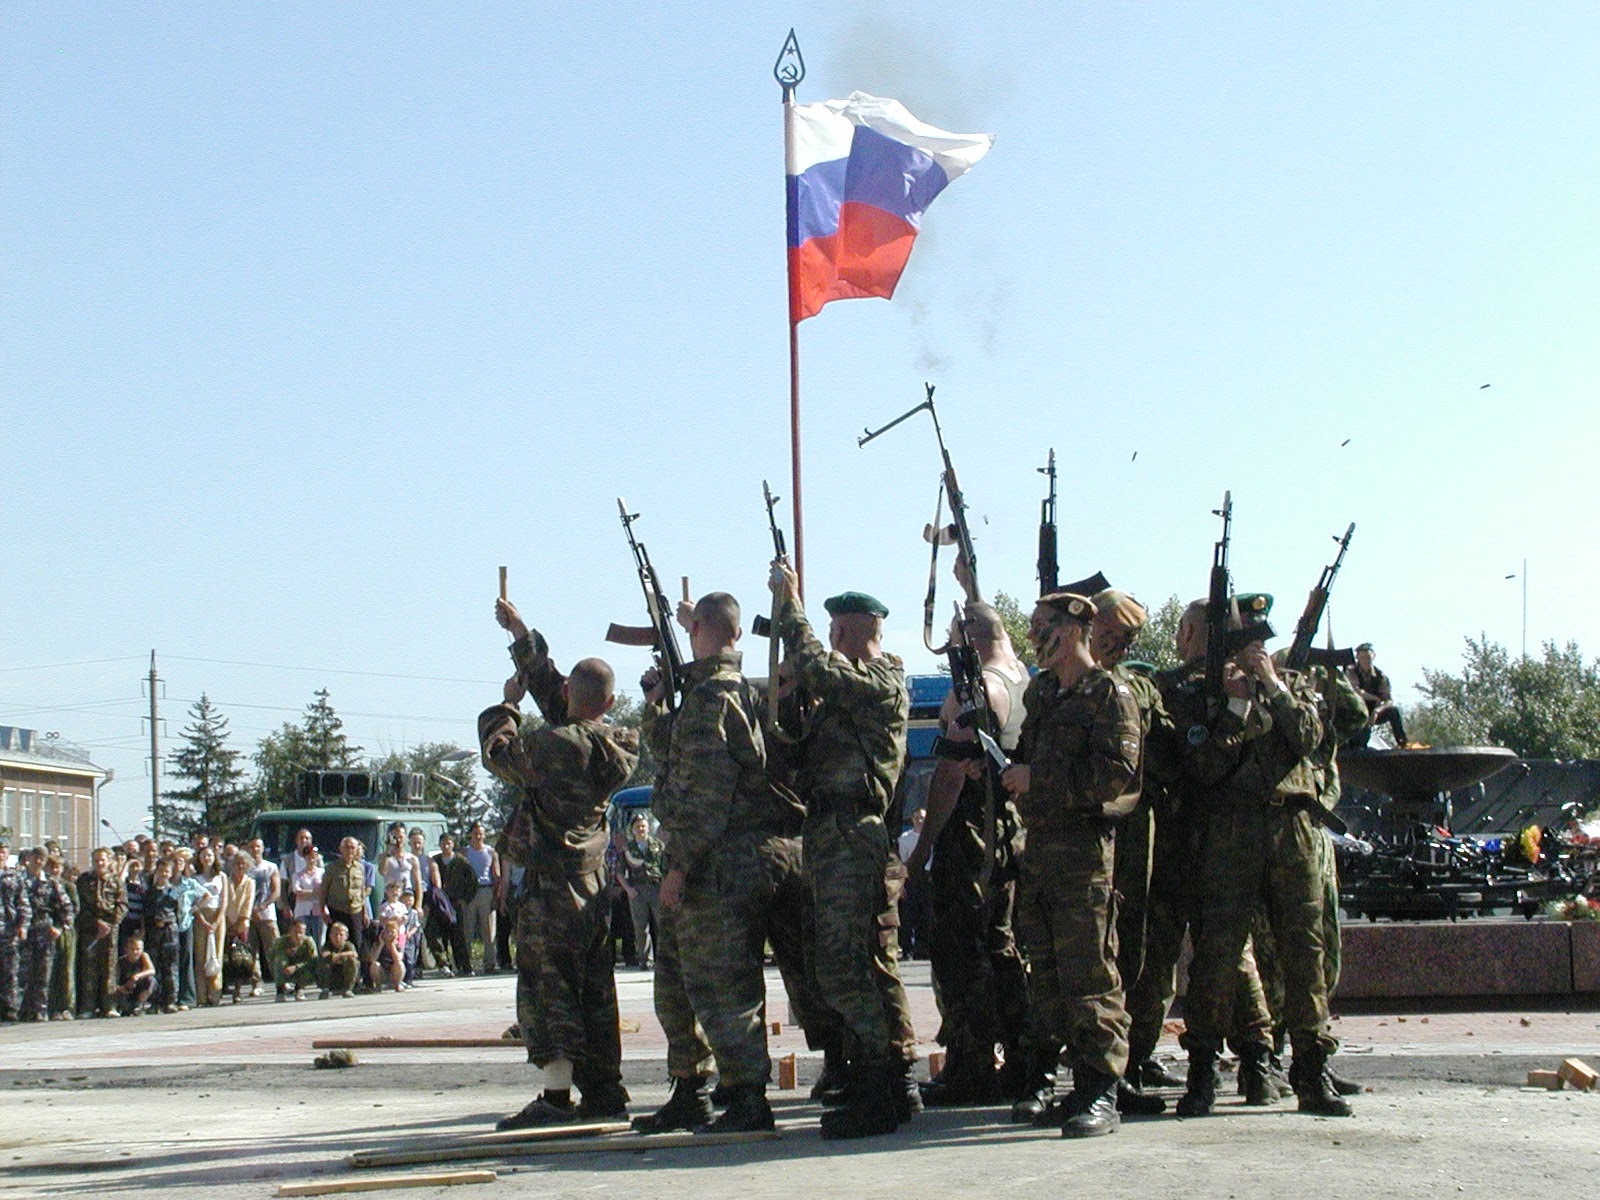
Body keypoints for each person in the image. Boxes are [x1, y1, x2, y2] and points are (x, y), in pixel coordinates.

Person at [635, 590, 819, 1136]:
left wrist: (679, 865)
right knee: (678, 976)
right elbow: (677, 754)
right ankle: (691, 1088)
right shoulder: (745, 690)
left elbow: (704, 793)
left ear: (699, 630)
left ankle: (745, 1097)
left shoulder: (710, 698)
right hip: (757, 851)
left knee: (723, 985)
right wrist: (659, 702)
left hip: (720, 859)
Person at [1168, 594, 1351, 1119]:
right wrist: (1234, 706)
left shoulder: (1289, 686)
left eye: (1260, 642)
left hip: (1291, 826)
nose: (1254, 650)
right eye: (1244, 641)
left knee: (1305, 952)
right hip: (1231, 828)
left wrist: (1270, 684)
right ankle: (1202, 1070)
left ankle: (1311, 1069)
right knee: (1217, 954)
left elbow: (1309, 739)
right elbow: (1202, 766)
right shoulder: (1201, 692)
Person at [482, 596, 641, 1130]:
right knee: (595, 988)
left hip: (552, 885)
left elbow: (500, 755)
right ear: (610, 701)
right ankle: (604, 1088)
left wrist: (507, 707)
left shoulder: (553, 746)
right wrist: (521, 634)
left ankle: (555, 1096)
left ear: (572, 692)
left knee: (547, 986)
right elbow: (563, 704)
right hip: (592, 881)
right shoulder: (615, 744)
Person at [770, 564, 916, 1139]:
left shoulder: (881, 680)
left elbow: (819, 666)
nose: (829, 638)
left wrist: (791, 605)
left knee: (843, 965)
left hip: (854, 830)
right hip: (830, 830)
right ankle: (878, 1081)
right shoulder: (843, 691)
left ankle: (877, 1086)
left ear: (856, 631)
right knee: (844, 963)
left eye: (836, 630)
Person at [1000, 591, 1141, 1139]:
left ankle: (1100, 1087)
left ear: (1076, 629)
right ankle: (1062, 1081)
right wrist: (1011, 772)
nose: (1036, 636)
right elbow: (1032, 757)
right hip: (1040, 851)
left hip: (1083, 855)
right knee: (1048, 974)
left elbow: (1117, 776)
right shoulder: (1042, 692)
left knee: (1090, 973)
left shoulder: (1109, 694)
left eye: (1045, 626)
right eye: (1034, 626)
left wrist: (1038, 779)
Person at [907, 599, 1030, 1109]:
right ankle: (1022, 1059)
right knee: (1001, 945)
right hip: (1008, 826)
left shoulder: (979, 689)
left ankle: (973, 1064)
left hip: (972, 831)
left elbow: (951, 773)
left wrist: (924, 847)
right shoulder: (1021, 676)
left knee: (960, 949)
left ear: (968, 640)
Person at [21, 848, 73, 1022]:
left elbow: (67, 908)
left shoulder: (51, 882)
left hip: (44, 931)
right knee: (22, 973)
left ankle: (40, 1010)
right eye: (36, 857)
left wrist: (59, 927)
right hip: (24, 931)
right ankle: (22, 1010)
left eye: (42, 859)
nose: (38, 861)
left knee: (44, 973)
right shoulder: (19, 880)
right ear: (29, 858)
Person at [76, 847, 127, 1018]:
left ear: (109, 861)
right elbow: (80, 906)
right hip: (90, 929)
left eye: (103, 860)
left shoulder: (116, 882)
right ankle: (88, 1007)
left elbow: (122, 905)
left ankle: (109, 1006)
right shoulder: (84, 880)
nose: (99, 863)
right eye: (96, 860)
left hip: (110, 930)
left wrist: (111, 923)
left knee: (109, 968)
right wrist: (96, 922)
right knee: (88, 968)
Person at [620, 814, 664, 971]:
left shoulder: (658, 845)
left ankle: (665, 960)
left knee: (662, 925)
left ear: (648, 827)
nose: (641, 829)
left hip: (657, 888)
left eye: (643, 826)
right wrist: (628, 889)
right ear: (632, 829)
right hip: (637, 891)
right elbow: (619, 872)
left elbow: (665, 867)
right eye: (637, 826)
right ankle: (645, 960)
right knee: (640, 928)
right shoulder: (627, 848)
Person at [1345, 643, 1407, 747]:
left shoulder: (1380, 676)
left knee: (1394, 711)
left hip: (1374, 710)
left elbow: (1389, 700)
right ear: (1357, 658)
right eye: (1362, 658)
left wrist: (1378, 710)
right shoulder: (1351, 671)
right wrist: (1375, 698)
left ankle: (1402, 743)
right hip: (1356, 709)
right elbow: (1356, 691)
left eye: (1368, 657)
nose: (1366, 661)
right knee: (1359, 741)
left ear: (1373, 657)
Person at [431, 833, 476, 975]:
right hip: (440, 903)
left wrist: (465, 899)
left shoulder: (461, 861)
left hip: (456, 903)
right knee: (441, 935)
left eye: (449, 843)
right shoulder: (435, 861)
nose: (446, 846)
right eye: (443, 843)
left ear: (453, 844)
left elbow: (472, 881)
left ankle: (464, 966)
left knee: (458, 936)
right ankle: (445, 965)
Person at [142, 859, 183, 1012]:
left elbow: (179, 912)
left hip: (169, 932)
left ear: (171, 873)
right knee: (155, 966)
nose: (164, 874)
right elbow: (145, 913)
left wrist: (167, 922)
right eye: (161, 871)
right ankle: (155, 1002)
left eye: (167, 871)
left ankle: (170, 1000)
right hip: (153, 932)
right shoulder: (149, 892)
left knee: (170, 968)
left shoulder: (174, 891)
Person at [459, 822, 500, 974]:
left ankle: (489, 964)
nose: (478, 836)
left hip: (486, 891)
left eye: (481, 833)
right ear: (471, 834)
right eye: (475, 833)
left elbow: (496, 876)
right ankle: (466, 964)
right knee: (467, 930)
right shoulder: (464, 852)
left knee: (489, 930)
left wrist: (496, 896)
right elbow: (459, 875)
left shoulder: (491, 852)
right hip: (469, 893)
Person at [191, 844, 228, 1007]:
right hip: (201, 918)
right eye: (204, 855)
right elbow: (194, 902)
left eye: (210, 855)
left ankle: (215, 994)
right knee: (201, 956)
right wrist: (202, 920)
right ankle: (202, 996)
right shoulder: (195, 878)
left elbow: (224, 900)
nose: (207, 858)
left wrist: (217, 921)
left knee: (216, 955)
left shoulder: (221, 876)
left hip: (217, 917)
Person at [245, 838, 282, 984]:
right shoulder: (244, 867)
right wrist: (250, 910)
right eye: (252, 847)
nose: (255, 849)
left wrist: (261, 907)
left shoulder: (271, 867)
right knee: (251, 951)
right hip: (248, 915)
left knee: (274, 949)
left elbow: (276, 891)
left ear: (262, 848)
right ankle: (255, 983)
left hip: (267, 915)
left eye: (258, 846)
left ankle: (280, 980)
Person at [0, 843, 29, 1022]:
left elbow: (23, 902)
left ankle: (10, 1009)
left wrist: (23, 925)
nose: (0, 855)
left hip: (8, 930)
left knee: (10, 971)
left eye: (3, 851)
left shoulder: (14, 876)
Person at [113, 932, 156, 1015]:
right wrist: (121, 988)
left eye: (138, 949)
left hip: (141, 987)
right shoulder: (121, 961)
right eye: (132, 949)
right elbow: (115, 981)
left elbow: (152, 970)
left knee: (151, 980)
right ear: (126, 949)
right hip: (128, 989)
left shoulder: (144, 956)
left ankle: (139, 1005)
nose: (135, 952)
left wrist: (137, 976)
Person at [318, 921, 360, 997]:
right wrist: (335, 957)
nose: (338, 937)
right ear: (330, 936)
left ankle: (348, 989)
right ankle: (325, 988)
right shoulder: (327, 945)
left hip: (345, 976)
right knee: (323, 962)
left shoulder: (348, 945)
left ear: (346, 936)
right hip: (332, 976)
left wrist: (339, 955)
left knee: (353, 961)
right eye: (335, 935)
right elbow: (325, 955)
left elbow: (354, 954)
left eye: (341, 935)